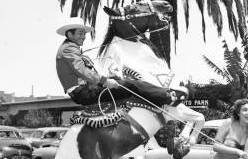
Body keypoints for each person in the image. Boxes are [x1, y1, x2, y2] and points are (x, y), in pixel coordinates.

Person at [55, 17, 185, 109]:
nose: (84, 36)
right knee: (130, 85)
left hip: (87, 89)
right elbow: (82, 71)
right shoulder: (69, 49)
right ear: (69, 34)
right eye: (80, 33)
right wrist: (105, 81)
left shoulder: (71, 48)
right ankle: (167, 97)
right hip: (84, 92)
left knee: (120, 80)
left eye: (84, 33)